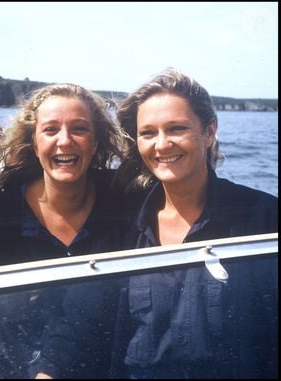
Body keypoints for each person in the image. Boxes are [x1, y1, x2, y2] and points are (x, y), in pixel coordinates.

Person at [106, 68, 278, 378]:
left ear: (210, 132)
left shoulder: (265, 218)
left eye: (176, 129)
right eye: (148, 133)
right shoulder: (126, 228)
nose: (161, 144)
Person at [0, 83, 129, 379]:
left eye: (79, 129)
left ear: (95, 143)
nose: (65, 141)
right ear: (35, 144)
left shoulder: (123, 202)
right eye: (50, 130)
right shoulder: (2, 215)